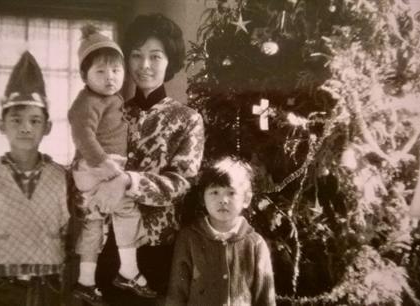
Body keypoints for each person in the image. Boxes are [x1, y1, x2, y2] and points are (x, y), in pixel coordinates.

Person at [82, 13, 205, 305]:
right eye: (136, 55)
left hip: (158, 247)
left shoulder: (187, 119)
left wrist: (128, 181)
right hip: (108, 244)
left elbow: (182, 182)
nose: (144, 65)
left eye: (155, 56)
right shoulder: (113, 113)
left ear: (169, 61)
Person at [0, 51, 70, 306]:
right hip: (1, 285)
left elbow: (68, 233)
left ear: (47, 127)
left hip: (49, 285)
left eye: (35, 120)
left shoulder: (62, 177)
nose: (25, 127)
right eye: (16, 119)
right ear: (2, 125)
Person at [68, 24, 156, 305]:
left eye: (116, 71)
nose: (110, 78)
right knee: (127, 209)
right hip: (95, 167)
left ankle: (85, 281)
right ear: (85, 76)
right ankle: (128, 271)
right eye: (101, 72)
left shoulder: (111, 98)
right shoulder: (87, 101)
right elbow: (82, 133)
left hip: (96, 169)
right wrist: (104, 164)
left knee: (94, 221)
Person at [166, 157, 276, 306]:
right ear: (202, 197)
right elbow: (177, 292)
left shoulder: (255, 243)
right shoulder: (189, 238)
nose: (223, 199)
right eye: (215, 192)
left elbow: (265, 298)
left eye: (231, 193)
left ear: (246, 199)